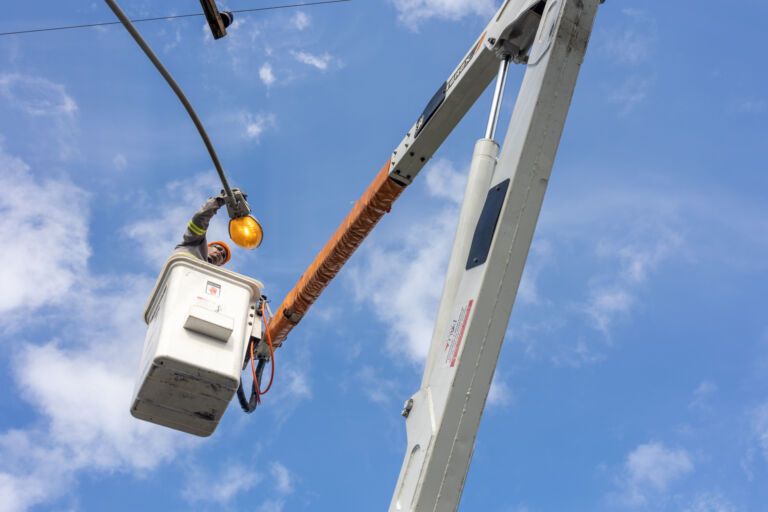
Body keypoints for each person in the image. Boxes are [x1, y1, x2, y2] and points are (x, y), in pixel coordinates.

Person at [175, 193, 231, 266]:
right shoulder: (195, 244)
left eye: (223, 256)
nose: (220, 253)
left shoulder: (210, 275)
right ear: (207, 247)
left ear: (220, 264)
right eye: (218, 248)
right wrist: (219, 201)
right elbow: (200, 219)